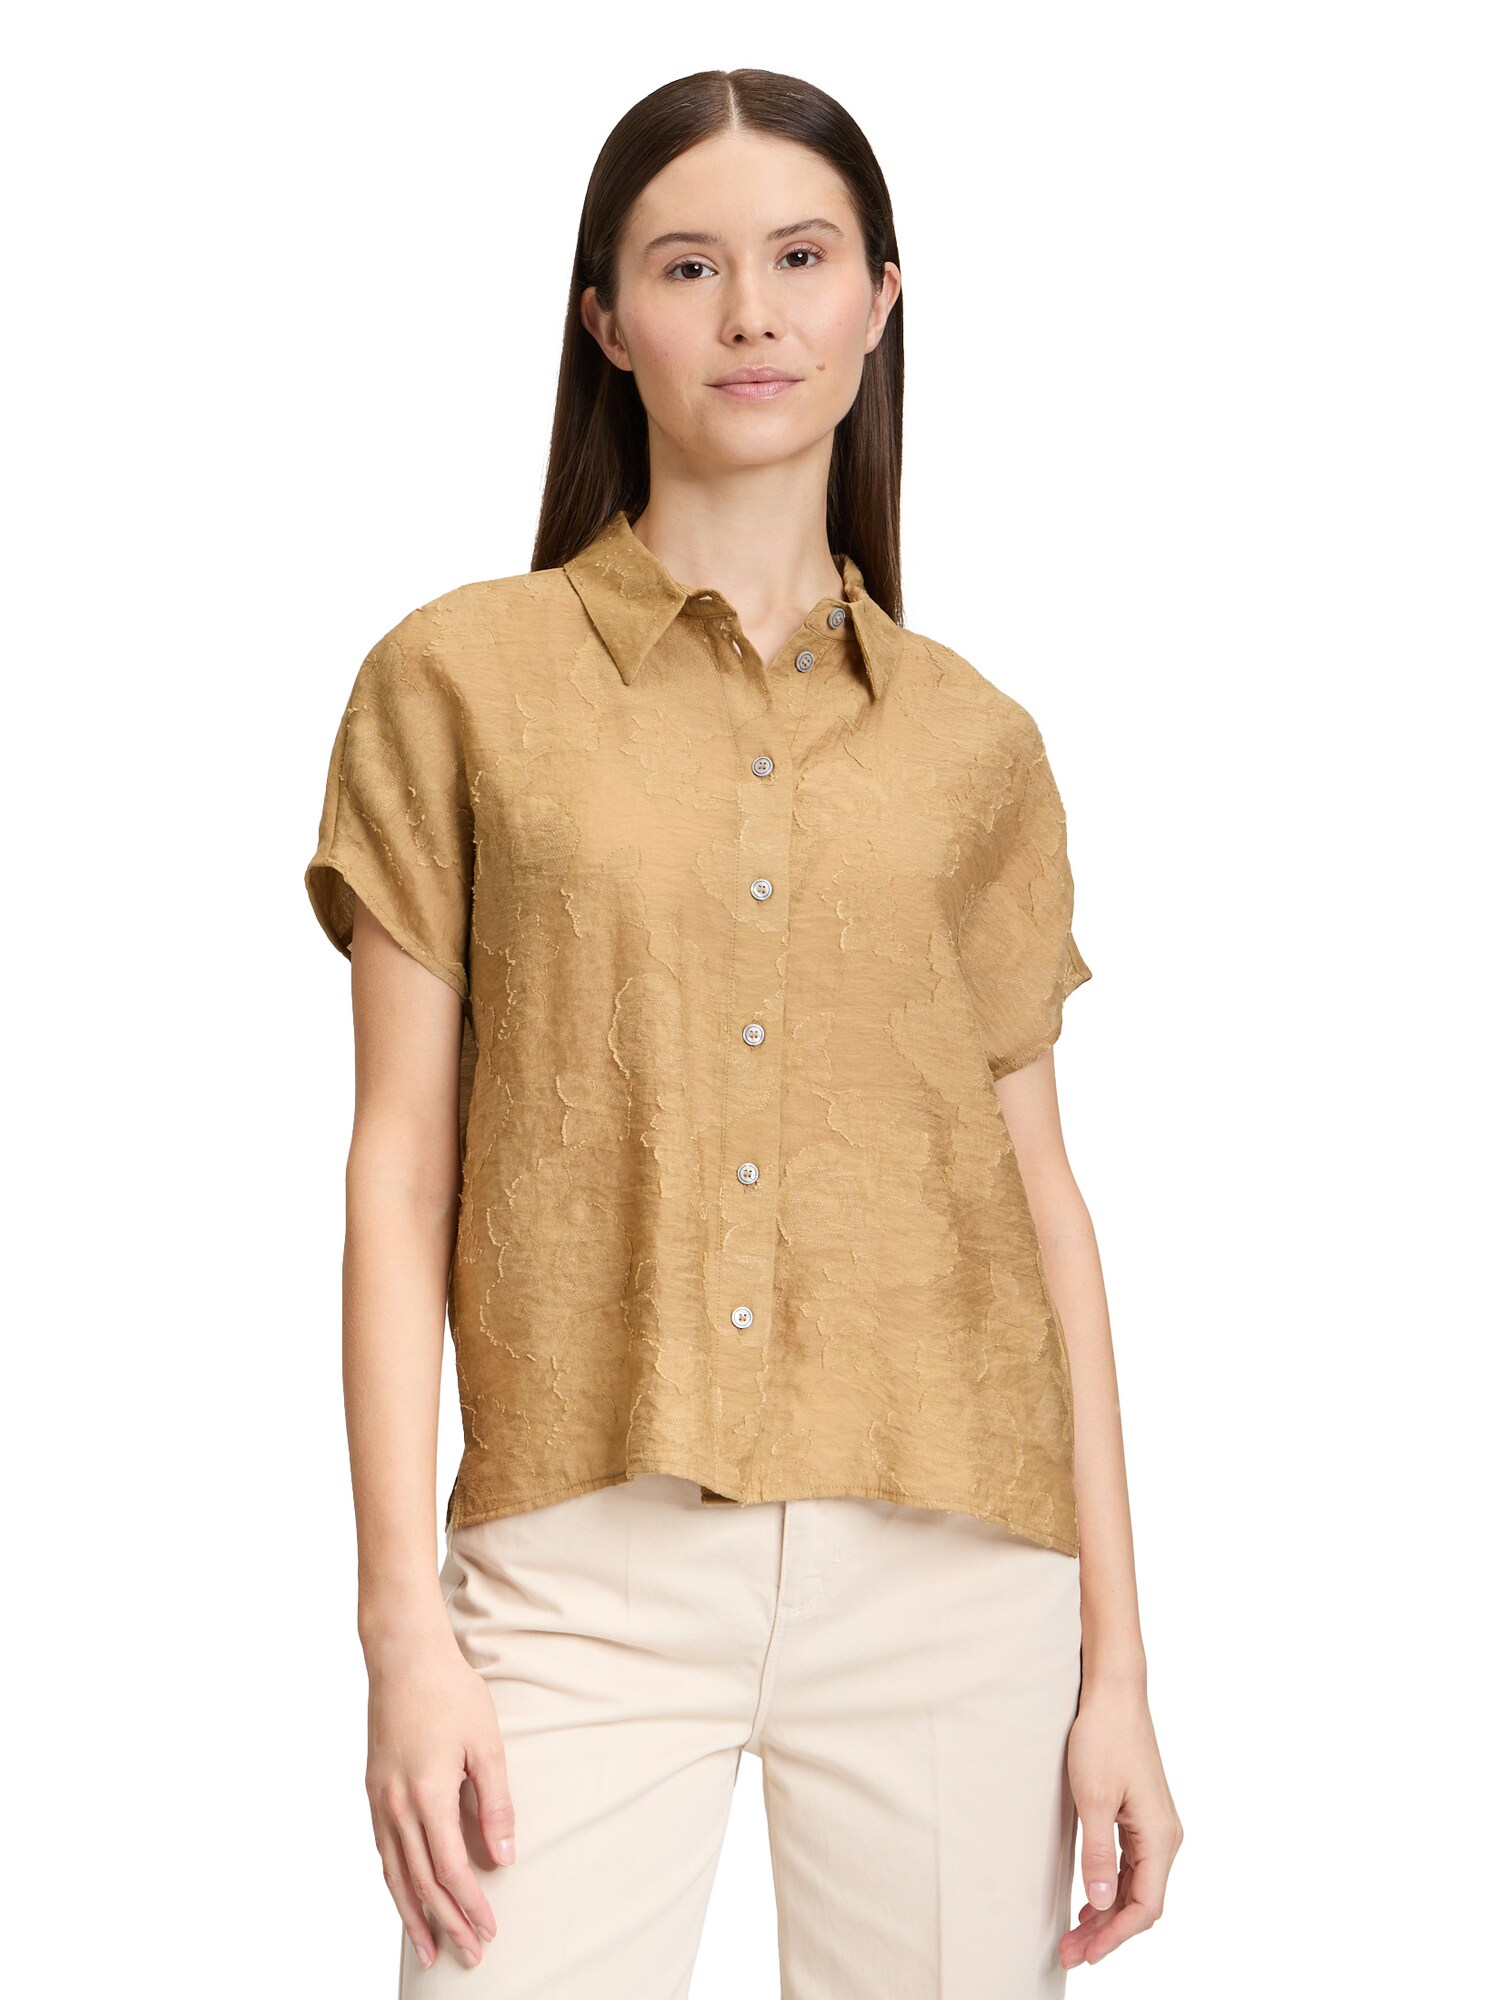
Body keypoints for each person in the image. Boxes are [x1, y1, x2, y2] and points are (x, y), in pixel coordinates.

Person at [303, 67, 1183, 1998]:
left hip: (960, 1565)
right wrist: (400, 1631)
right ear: (608, 320)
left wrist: (1118, 1666)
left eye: (801, 258)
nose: (753, 313)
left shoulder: (976, 743)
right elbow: (400, 1169)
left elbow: (1044, 1203)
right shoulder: (457, 682)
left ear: (880, 299)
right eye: (689, 266)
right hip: (584, 1559)